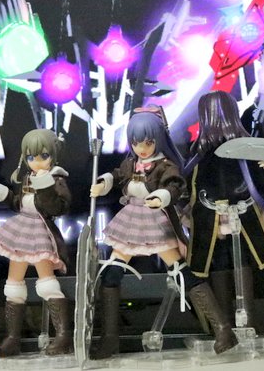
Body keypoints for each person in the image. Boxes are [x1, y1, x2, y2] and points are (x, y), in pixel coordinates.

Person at [88, 106, 233, 357]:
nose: (141, 148)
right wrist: (103, 183)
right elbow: (116, 174)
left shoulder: (164, 165)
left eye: (147, 142)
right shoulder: (131, 163)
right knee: (111, 272)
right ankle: (110, 338)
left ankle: (223, 329)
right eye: (136, 142)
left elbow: (175, 185)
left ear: (157, 139)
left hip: (155, 221)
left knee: (180, 271)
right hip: (131, 221)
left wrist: (162, 196)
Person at [186, 91, 264, 346]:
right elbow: (192, 183)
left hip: (243, 215)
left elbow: (260, 179)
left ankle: (246, 321)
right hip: (212, 218)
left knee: (241, 261)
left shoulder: (242, 149)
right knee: (218, 263)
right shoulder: (201, 152)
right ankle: (225, 324)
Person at [0, 129, 72, 356]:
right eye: (31, 157)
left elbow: (57, 207)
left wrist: (45, 185)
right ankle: (12, 338)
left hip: (40, 233)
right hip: (20, 231)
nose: (37, 162)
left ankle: (63, 336)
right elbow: (16, 202)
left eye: (43, 156)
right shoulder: (26, 178)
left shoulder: (56, 179)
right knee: (13, 284)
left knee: (47, 284)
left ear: (53, 155)